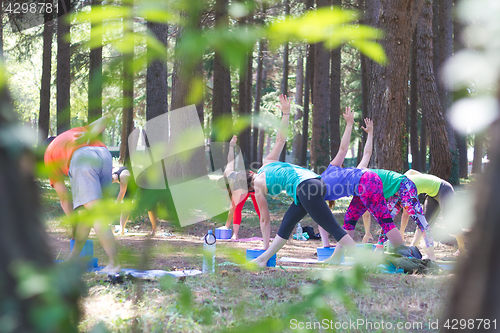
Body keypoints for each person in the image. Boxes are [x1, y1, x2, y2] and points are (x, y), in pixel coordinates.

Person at [249, 95, 357, 266]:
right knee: (287, 224)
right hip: (314, 183)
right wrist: (285, 114)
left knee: (334, 228)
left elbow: (264, 219)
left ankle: (366, 262)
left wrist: (263, 244)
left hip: (305, 188)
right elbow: (280, 140)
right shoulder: (267, 163)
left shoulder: (257, 186)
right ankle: (262, 260)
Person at [318, 108, 406, 258]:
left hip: (366, 183)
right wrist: (363, 130)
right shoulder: (334, 173)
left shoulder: (330, 173)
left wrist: (349, 124)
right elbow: (361, 153)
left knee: (385, 221)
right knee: (349, 219)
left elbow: (343, 148)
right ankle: (337, 257)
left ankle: (407, 255)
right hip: (365, 184)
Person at [44, 117, 120, 273]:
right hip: (105, 155)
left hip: (82, 159)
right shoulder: (74, 132)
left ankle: (114, 263)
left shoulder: (48, 154)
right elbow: (105, 119)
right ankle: (73, 258)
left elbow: (64, 198)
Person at [366, 169, 437, 260]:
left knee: (420, 220)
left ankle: (431, 254)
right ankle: (380, 248)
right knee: (386, 219)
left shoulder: (365, 179)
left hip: (405, 186)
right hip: (396, 191)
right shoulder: (363, 181)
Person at [403, 169, 465, 257]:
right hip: (432, 194)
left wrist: (425, 179)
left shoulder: (405, 186)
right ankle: (412, 250)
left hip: (443, 189)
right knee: (423, 222)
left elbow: (405, 215)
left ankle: (462, 251)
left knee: (450, 223)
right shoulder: (404, 179)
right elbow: (411, 170)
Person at [222, 135, 261, 240]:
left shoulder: (229, 174)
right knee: (237, 208)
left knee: (259, 209)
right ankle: (235, 234)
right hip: (244, 185)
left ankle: (266, 231)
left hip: (254, 183)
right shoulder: (235, 188)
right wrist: (226, 228)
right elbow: (233, 208)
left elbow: (230, 160)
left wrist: (231, 146)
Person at [111, 166, 160, 236]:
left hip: (143, 178)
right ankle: (121, 230)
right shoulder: (113, 171)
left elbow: (122, 192)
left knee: (150, 205)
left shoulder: (123, 177)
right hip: (131, 180)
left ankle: (154, 230)